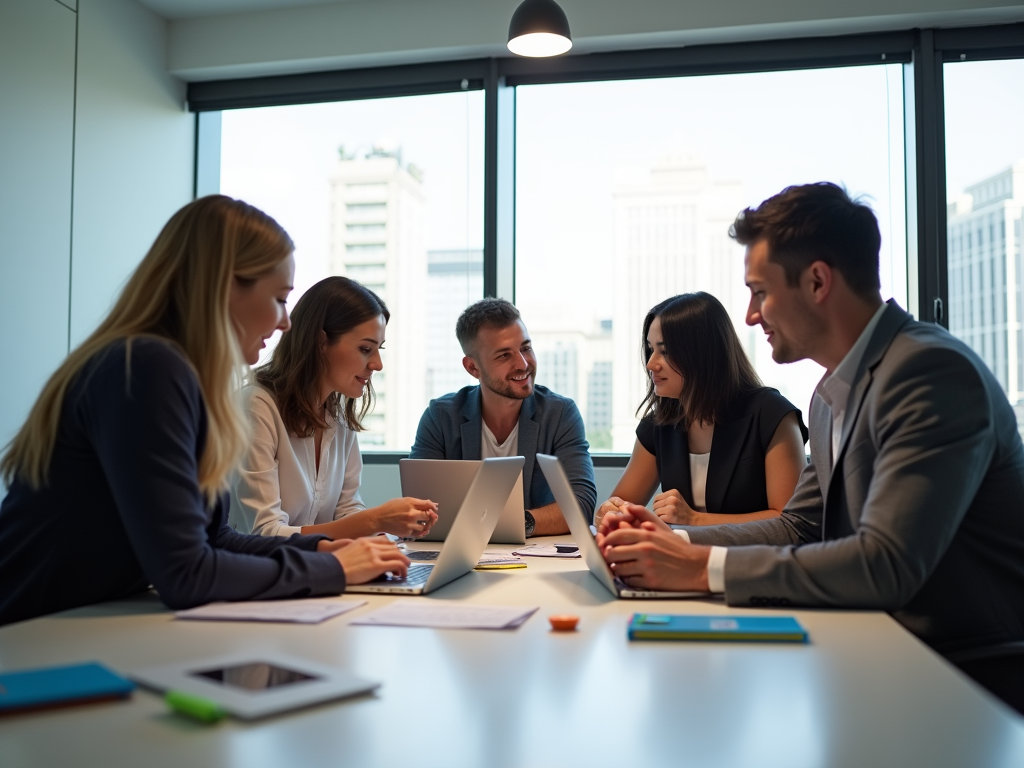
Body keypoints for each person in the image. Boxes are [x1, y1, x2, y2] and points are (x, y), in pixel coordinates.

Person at [598, 182, 1024, 711]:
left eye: (760, 292)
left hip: (958, 677)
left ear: (818, 281)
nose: (751, 316)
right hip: (871, 647)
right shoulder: (830, 396)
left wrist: (698, 565)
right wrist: (671, 539)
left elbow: (885, 564)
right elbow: (797, 527)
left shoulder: (928, 373)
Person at [0, 196, 409, 627]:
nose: (286, 322)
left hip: (75, 622)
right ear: (225, 287)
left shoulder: (180, 376)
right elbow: (186, 574)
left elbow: (216, 538)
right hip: (27, 633)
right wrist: (334, 570)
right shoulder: (146, 367)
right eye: (279, 299)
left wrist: (318, 550)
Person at [230, 275, 438, 540]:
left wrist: (381, 538)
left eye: (378, 349)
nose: (377, 364)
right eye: (365, 349)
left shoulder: (337, 415)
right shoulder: (257, 406)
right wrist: (374, 521)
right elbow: (264, 534)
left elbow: (347, 509)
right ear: (320, 342)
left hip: (319, 572)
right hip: (265, 576)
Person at [595, 292, 807, 531]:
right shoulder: (658, 424)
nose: (651, 363)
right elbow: (620, 506)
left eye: (664, 351)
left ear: (703, 353)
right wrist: (608, 512)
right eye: (650, 349)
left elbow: (790, 523)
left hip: (751, 564)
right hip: (679, 562)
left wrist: (694, 519)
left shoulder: (772, 414)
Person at [410, 298, 596, 536]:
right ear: (473, 368)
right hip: (457, 557)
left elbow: (581, 506)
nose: (522, 363)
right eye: (504, 356)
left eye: (526, 348)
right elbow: (418, 511)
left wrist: (515, 523)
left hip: (536, 559)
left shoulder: (559, 414)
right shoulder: (441, 417)